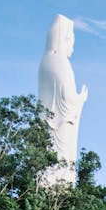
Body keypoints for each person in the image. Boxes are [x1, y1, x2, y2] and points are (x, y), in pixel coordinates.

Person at [37, 14, 88, 185]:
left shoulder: (46, 61)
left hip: (47, 123)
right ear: (64, 40)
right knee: (60, 164)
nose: (72, 49)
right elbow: (67, 97)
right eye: (70, 43)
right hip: (61, 123)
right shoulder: (61, 63)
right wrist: (80, 99)